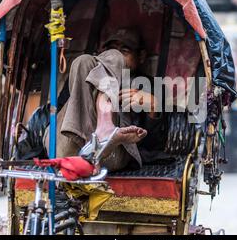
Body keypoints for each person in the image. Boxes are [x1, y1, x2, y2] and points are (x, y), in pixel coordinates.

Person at [44, 28, 167, 172]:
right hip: (65, 146)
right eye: (110, 49)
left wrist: (153, 107)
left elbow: (154, 145)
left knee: (112, 58)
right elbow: (58, 119)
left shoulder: (151, 85)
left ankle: (99, 141)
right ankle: (98, 135)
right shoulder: (83, 73)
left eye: (125, 51)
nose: (118, 54)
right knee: (83, 61)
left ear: (141, 56)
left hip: (110, 154)